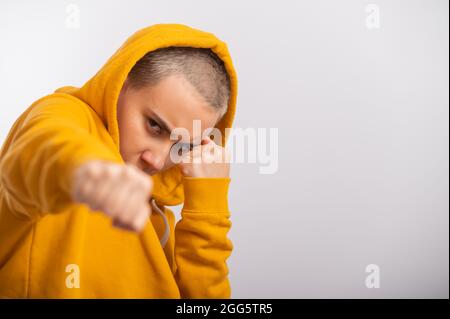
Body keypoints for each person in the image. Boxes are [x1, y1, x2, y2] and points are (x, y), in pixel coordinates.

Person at [0, 23, 238, 298]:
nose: (158, 161)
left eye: (183, 146)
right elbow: (39, 155)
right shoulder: (62, 115)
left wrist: (208, 207)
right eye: (154, 126)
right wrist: (87, 174)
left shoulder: (158, 220)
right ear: (119, 85)